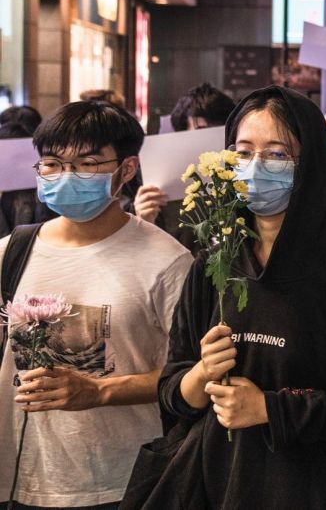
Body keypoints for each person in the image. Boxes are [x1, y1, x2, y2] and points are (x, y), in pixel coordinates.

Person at [133, 86, 326, 508]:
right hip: (214, 484)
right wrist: (199, 376)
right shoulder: (213, 267)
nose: (256, 167)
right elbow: (172, 391)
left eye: (276, 154)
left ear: (308, 165)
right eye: (243, 152)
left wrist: (270, 409)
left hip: (306, 491)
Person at [0, 100, 192, 509]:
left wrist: (100, 391)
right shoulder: (11, 252)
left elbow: (191, 375)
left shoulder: (167, 261)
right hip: (17, 478)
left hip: (118, 481)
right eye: (52, 163)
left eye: (88, 163)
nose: (67, 176)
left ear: (127, 169)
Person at [134, 83, 237, 231]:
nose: (212, 141)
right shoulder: (162, 183)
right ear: (181, 135)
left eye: (220, 132)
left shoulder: (244, 176)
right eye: (202, 131)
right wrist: (144, 220)